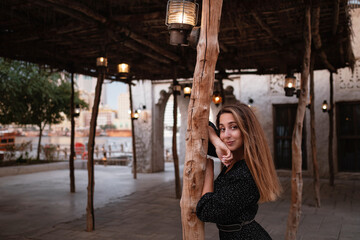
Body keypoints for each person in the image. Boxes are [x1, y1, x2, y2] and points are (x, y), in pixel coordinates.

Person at [196, 103, 282, 239]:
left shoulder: (244, 174)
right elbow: (199, 121)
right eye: (222, 129)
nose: (226, 135)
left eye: (234, 127)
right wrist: (217, 142)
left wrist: (208, 171)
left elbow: (206, 211)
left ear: (247, 129)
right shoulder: (232, 155)